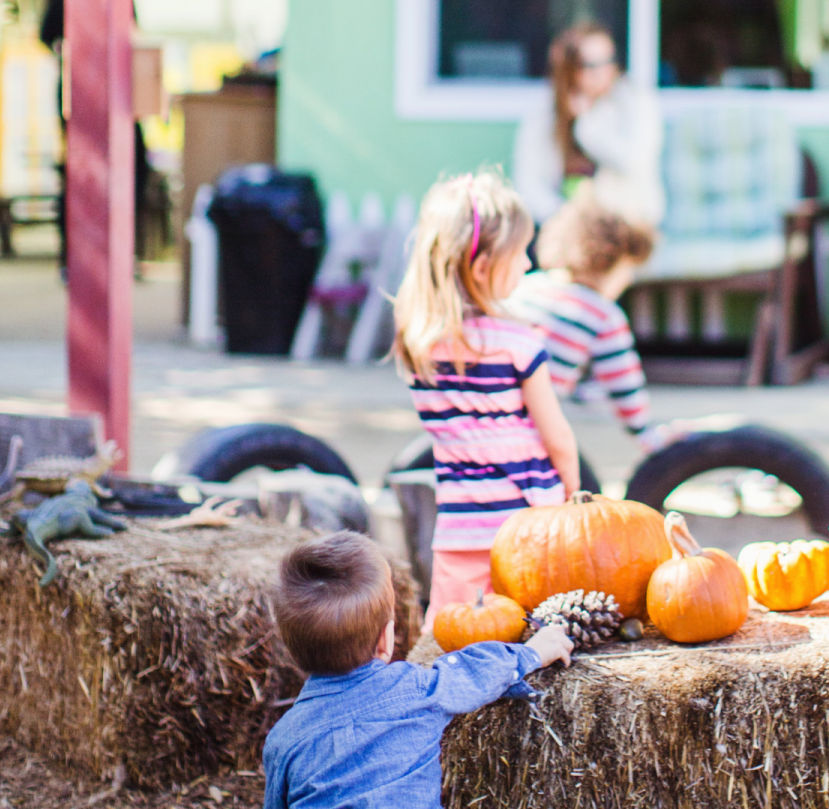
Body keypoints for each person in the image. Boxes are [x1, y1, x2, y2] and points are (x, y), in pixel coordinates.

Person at [262, 531, 574, 809]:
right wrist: (532, 652)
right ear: (385, 640)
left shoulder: (283, 741)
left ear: (292, 650)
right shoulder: (416, 689)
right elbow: (477, 671)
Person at [392, 171, 580, 629]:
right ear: (482, 268)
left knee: (455, 630)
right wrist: (575, 495)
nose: (528, 264)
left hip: (460, 526)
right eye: (521, 254)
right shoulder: (519, 344)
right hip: (530, 523)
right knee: (537, 630)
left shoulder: (419, 345)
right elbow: (556, 435)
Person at [506, 198, 673, 452]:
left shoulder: (527, 286)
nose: (628, 280)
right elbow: (624, 384)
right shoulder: (601, 313)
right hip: (529, 426)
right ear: (608, 261)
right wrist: (642, 430)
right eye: (627, 270)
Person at [513, 23, 665, 226]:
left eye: (609, 61)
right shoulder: (545, 117)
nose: (603, 72)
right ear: (569, 69)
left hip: (627, 228)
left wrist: (586, 126)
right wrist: (567, 219)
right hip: (563, 229)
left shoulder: (634, 104)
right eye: (590, 65)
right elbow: (529, 187)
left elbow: (635, 163)